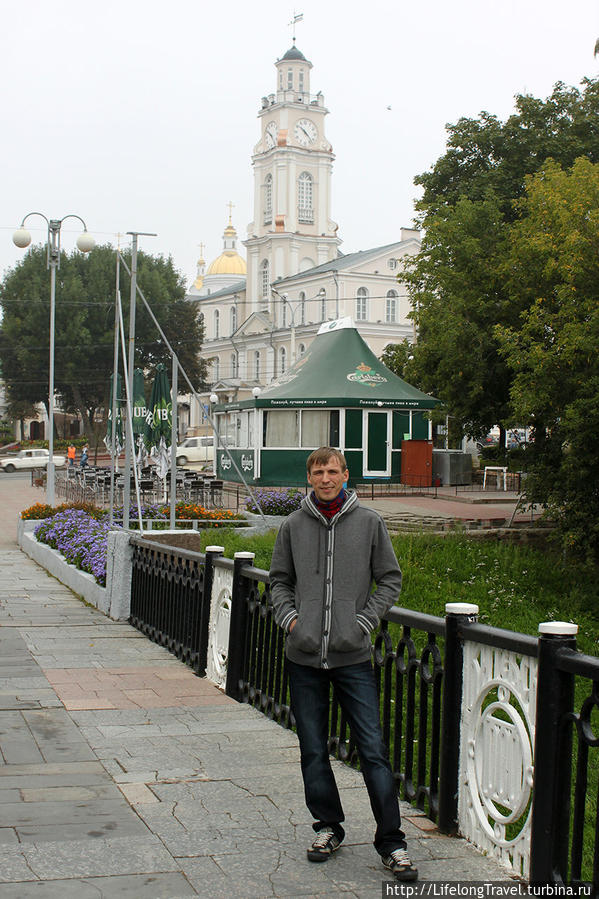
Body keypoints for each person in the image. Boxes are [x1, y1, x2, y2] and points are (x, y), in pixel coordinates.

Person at [270, 447, 418, 882]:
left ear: (345, 475)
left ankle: (392, 842)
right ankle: (328, 827)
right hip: (304, 657)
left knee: (372, 750)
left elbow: (390, 578)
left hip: (353, 658)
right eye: (318, 471)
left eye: (332, 471)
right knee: (313, 749)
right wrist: (292, 621)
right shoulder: (293, 525)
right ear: (309, 477)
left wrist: (364, 621)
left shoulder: (369, 523)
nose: (325, 478)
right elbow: (279, 580)